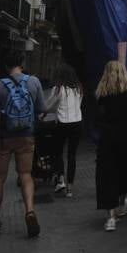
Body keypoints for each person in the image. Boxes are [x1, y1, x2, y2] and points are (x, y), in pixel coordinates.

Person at [0, 52, 46, 238]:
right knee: (26, 175)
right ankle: (29, 211)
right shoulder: (34, 82)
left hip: (4, 137)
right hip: (26, 136)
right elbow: (41, 109)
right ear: (22, 63)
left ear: (5, 67)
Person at [92, 60, 127, 231]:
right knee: (124, 170)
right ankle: (121, 203)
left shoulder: (101, 92)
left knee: (107, 175)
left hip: (108, 138)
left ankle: (110, 217)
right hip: (126, 137)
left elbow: (98, 115)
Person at [46, 65, 85, 198]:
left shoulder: (58, 89)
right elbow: (78, 104)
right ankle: (70, 188)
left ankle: (61, 179)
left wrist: (44, 112)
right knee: (72, 155)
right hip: (77, 123)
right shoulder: (79, 88)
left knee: (57, 152)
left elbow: (49, 105)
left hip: (62, 124)